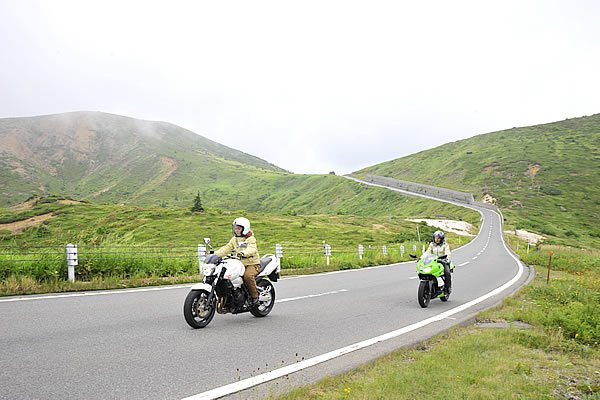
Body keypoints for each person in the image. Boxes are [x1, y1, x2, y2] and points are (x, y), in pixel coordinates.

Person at [215, 217, 261, 307]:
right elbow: (226, 248)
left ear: (245, 229)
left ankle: (255, 296)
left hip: (252, 264)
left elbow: (252, 249)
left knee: (247, 276)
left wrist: (243, 253)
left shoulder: (250, 239)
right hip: (239, 264)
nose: (236, 230)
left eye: (239, 228)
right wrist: (215, 255)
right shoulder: (234, 239)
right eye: (235, 228)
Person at [426, 230, 453, 294]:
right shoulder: (431, 244)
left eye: (438, 238)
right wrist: (422, 257)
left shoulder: (445, 245)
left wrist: (447, 259)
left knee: (447, 273)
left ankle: (448, 288)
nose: (437, 240)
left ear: (441, 239)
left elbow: (448, 252)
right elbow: (428, 252)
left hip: (443, 261)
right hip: (433, 261)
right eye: (435, 238)